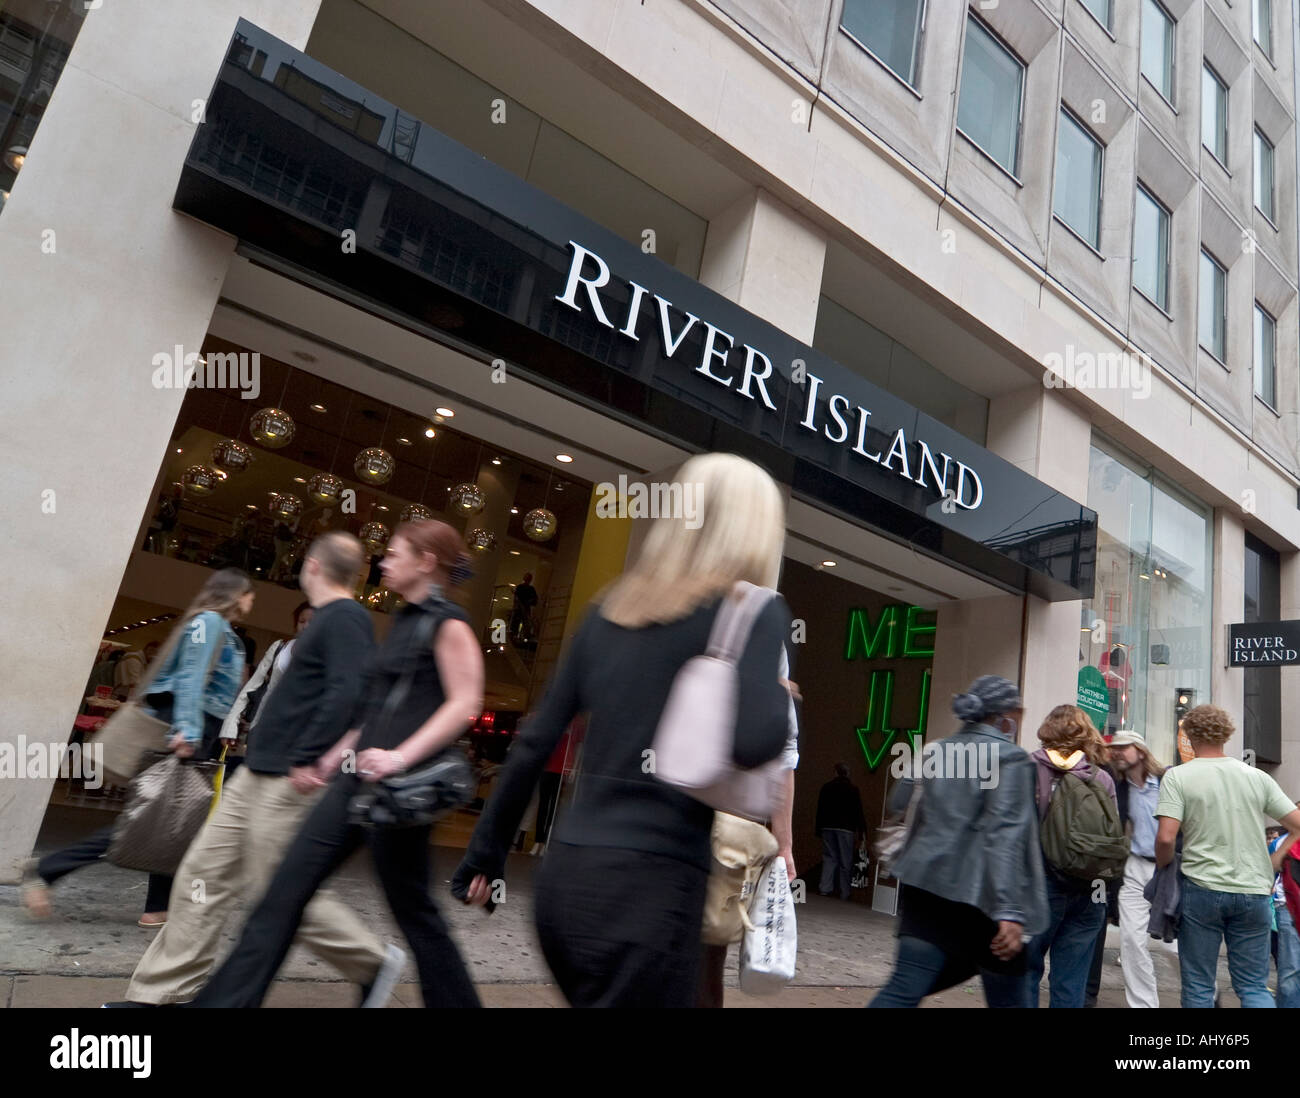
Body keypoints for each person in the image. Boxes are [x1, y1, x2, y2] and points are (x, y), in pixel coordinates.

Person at [452, 453, 793, 1007]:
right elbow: (755, 741)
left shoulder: (609, 610)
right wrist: (775, 694)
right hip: (653, 890)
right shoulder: (756, 611)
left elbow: (535, 741)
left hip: (566, 881)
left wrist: (485, 856)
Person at [191, 520, 484, 1008]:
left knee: (416, 914)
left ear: (426, 561)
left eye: (393, 554)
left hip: (399, 791)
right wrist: (332, 756)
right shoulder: (402, 620)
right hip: (353, 782)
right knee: (284, 893)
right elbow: (373, 710)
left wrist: (398, 756)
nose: (383, 563)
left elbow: (465, 702)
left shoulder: (447, 622)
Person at [106, 533, 401, 1007]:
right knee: (201, 874)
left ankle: (372, 961)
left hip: (287, 781)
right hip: (255, 774)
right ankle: (158, 995)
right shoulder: (326, 622)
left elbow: (350, 695)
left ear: (311, 567)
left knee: (277, 891)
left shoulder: (347, 618)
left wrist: (310, 759)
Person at [21, 569, 252, 927]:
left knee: (170, 817)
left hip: (196, 726)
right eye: (249, 593)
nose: (252, 601)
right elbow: (192, 677)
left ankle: (157, 907)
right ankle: (49, 870)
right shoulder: (208, 622)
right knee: (155, 815)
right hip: (184, 724)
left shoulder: (217, 627)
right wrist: (188, 730)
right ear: (236, 594)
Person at [868, 676, 1046, 1008]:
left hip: (925, 885)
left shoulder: (937, 749)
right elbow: (1005, 834)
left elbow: (897, 803)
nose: (1020, 716)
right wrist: (1009, 908)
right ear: (1005, 714)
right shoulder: (1012, 758)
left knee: (903, 988)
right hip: (983, 898)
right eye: (1019, 709)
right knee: (1009, 996)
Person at [1156, 705, 1300, 1008]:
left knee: (1198, 986)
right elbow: (1297, 824)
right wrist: (1277, 858)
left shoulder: (1178, 777)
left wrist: (1163, 864)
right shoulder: (1256, 777)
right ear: (1226, 734)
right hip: (1254, 890)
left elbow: (1166, 837)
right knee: (1253, 986)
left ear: (1188, 736)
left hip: (1202, 889)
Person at [1024, 704, 1121, 1008]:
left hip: (1041, 885)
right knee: (1072, 979)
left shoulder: (1030, 768)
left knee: (1025, 972)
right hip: (1090, 889)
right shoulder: (1101, 778)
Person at [1104, 729, 1167, 1007]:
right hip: (1134, 867)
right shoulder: (1118, 788)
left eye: (1124, 747)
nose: (1116, 752)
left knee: (1173, 943)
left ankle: (1205, 993)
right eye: (1114, 748)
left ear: (1140, 751)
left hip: (1168, 868)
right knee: (1130, 940)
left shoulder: (1168, 781)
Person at [221, 601, 312, 778]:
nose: (306, 626)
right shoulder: (280, 647)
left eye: (312, 622)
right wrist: (230, 724)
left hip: (295, 736)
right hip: (262, 726)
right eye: (302, 621)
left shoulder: (326, 657)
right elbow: (251, 686)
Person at [815, 762, 866, 900]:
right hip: (846, 829)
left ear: (835, 772)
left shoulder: (826, 787)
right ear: (847, 774)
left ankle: (825, 888)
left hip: (827, 826)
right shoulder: (853, 789)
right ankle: (845, 892)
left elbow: (820, 809)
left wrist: (818, 829)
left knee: (829, 858)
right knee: (846, 861)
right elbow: (858, 812)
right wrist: (861, 831)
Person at [1267, 826, 1300, 1008]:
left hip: (1288, 912)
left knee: (1291, 971)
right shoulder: (1282, 842)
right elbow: (1267, 876)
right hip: (1289, 910)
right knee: (1291, 971)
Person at [510, 572, 539, 645]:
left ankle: (523, 638)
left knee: (525, 624)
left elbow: (534, 600)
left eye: (528, 578)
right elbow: (516, 599)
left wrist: (528, 602)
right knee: (517, 624)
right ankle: (515, 637)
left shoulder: (530, 589)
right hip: (519, 609)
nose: (527, 580)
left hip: (524, 609)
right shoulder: (521, 587)